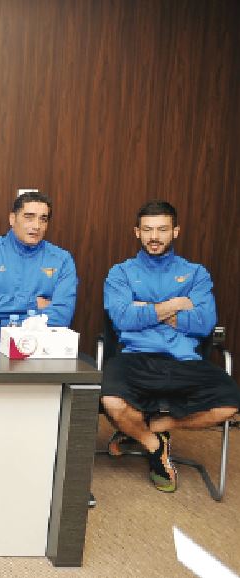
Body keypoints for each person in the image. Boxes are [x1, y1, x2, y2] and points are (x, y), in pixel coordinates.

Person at [101, 200, 239, 492]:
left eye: (162, 229)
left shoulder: (196, 274)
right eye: (148, 229)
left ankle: (157, 427)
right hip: (135, 356)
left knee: (230, 404)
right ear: (136, 232)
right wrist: (176, 305)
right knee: (111, 401)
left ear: (175, 231)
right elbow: (123, 318)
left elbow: (204, 323)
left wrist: (146, 310)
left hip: (184, 359)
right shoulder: (120, 273)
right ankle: (153, 446)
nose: (155, 236)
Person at [0, 191, 77, 327]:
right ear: (12, 219)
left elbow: (61, 316)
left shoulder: (62, 260)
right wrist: (35, 304)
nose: (37, 226)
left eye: (43, 219)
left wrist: (4, 319)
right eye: (29, 217)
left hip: (38, 339)